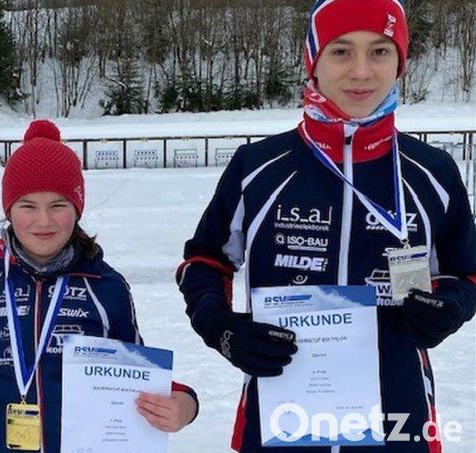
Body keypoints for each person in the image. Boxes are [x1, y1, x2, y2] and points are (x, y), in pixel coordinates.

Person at [178, 0, 476, 452]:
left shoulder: (431, 172)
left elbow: (466, 272)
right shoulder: (257, 167)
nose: (361, 72)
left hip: (399, 414)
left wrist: (450, 305)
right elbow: (204, 261)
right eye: (340, 51)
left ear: (401, 63)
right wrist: (222, 327)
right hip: (282, 411)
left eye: (380, 51)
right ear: (312, 62)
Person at [0, 120, 200, 452]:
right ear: (9, 210)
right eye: (28, 206)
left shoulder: (106, 287)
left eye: (58, 205)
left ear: (77, 209)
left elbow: (133, 378)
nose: (43, 221)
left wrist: (184, 402)